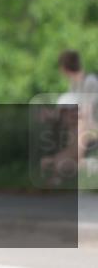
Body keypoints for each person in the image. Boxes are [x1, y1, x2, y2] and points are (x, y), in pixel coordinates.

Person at [41, 50, 98, 180]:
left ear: (64, 68)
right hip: (80, 126)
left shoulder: (90, 82)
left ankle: (81, 161)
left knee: (80, 125)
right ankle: (72, 164)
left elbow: (87, 112)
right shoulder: (74, 84)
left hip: (91, 125)